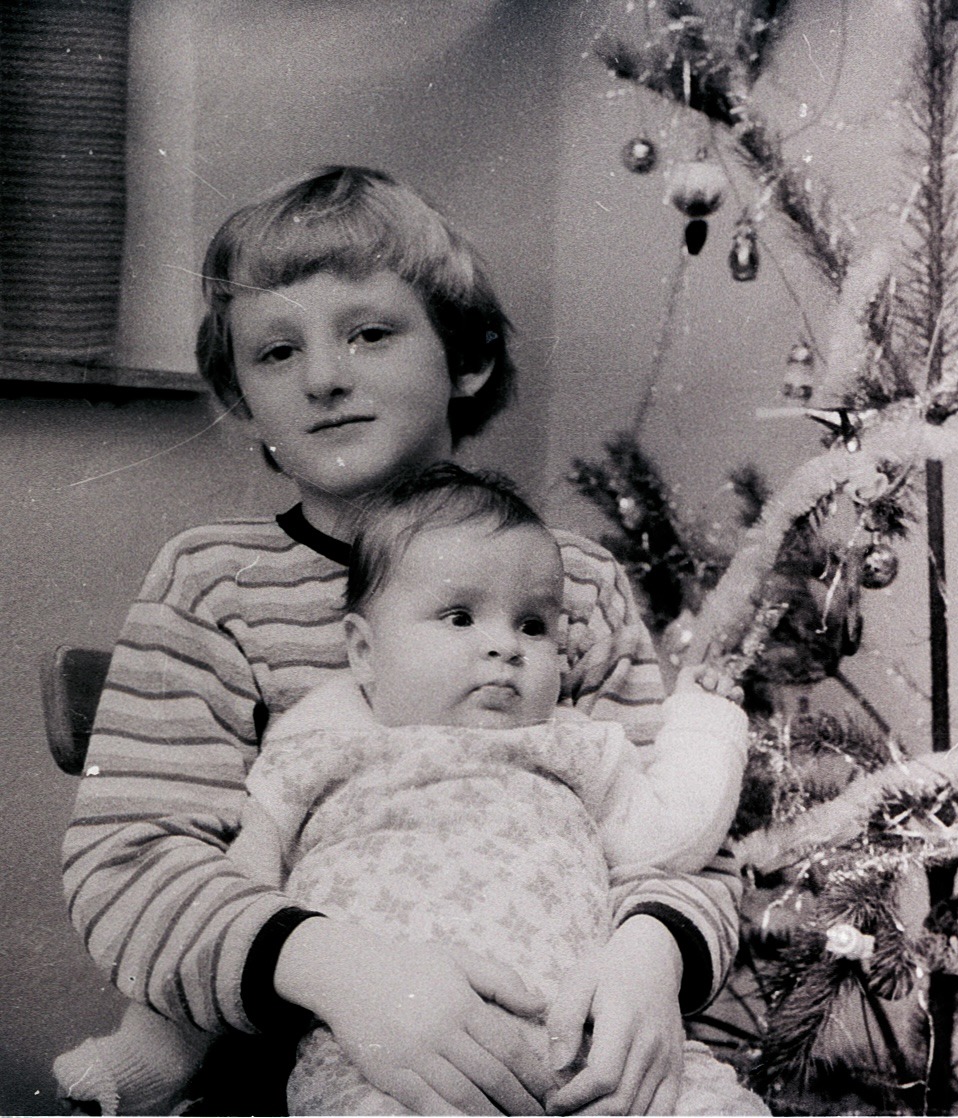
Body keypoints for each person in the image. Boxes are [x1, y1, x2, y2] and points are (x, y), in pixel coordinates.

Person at [62, 167, 741, 1116]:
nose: (324, 378)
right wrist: (344, 974)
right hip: (300, 1071)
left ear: (466, 358)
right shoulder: (215, 583)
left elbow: (674, 840)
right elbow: (130, 863)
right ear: (243, 400)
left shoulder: (574, 585)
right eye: (276, 352)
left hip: (570, 1046)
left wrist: (650, 957)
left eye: (370, 334)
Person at [58, 465, 766, 1116]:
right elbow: (237, 889)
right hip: (385, 1060)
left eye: (532, 625)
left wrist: (706, 724)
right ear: (363, 652)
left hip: (584, 1040)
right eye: (460, 618)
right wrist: (152, 1054)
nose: (505, 646)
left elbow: (672, 838)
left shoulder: (577, 743)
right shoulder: (320, 745)